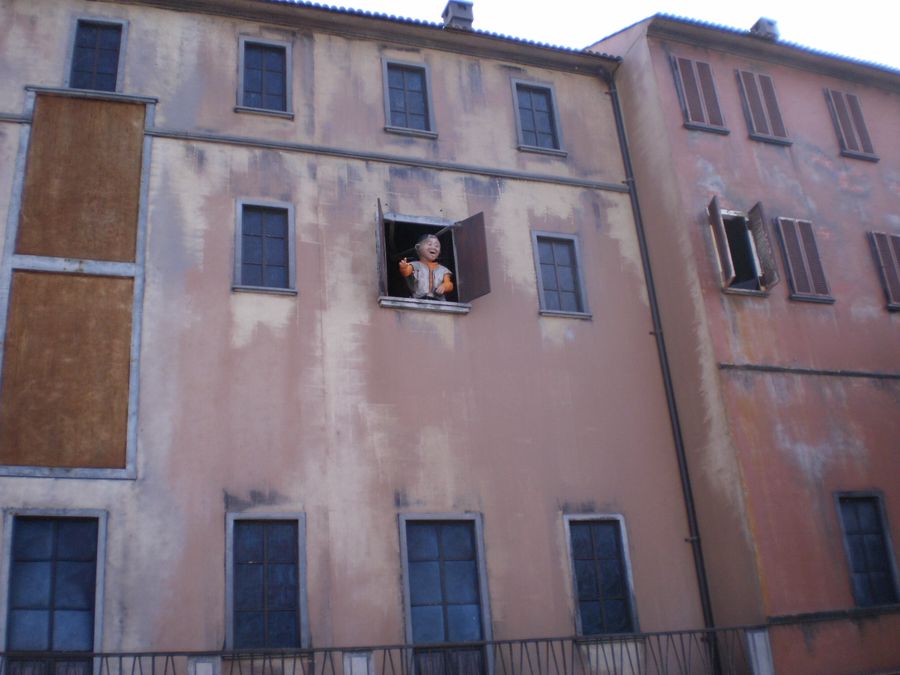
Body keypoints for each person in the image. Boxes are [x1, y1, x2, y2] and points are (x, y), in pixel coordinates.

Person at [399, 234, 454, 300]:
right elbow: (406, 272)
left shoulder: (443, 269)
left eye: (437, 246)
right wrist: (404, 267)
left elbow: (449, 284)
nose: (433, 247)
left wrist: (445, 286)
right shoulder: (414, 265)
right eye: (429, 244)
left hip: (439, 302)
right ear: (418, 247)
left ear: (440, 252)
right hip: (419, 300)